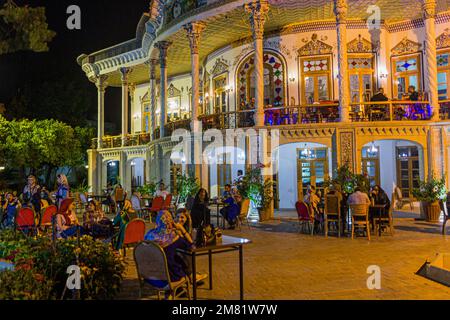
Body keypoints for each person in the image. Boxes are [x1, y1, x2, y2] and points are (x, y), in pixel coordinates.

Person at [144, 211, 207, 292]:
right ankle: (191, 276)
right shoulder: (174, 237)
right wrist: (182, 229)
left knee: (173, 257)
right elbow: (192, 247)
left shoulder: (149, 234)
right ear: (171, 221)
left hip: (150, 276)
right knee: (181, 258)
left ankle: (186, 282)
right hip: (167, 279)